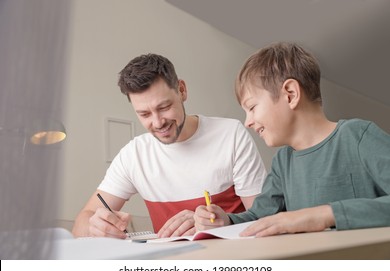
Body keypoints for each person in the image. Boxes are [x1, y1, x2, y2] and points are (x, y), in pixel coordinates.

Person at [194, 42, 390, 237]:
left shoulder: (357, 136)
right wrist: (227, 221)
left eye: (252, 108)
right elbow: (259, 218)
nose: (248, 122)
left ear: (291, 94)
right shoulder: (282, 162)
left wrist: (326, 214)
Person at [72, 53, 267, 239]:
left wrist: (215, 223)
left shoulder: (230, 134)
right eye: (144, 114)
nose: (157, 123)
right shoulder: (134, 155)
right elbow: (80, 225)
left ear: (182, 90)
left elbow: (263, 219)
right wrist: (95, 226)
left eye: (164, 108)